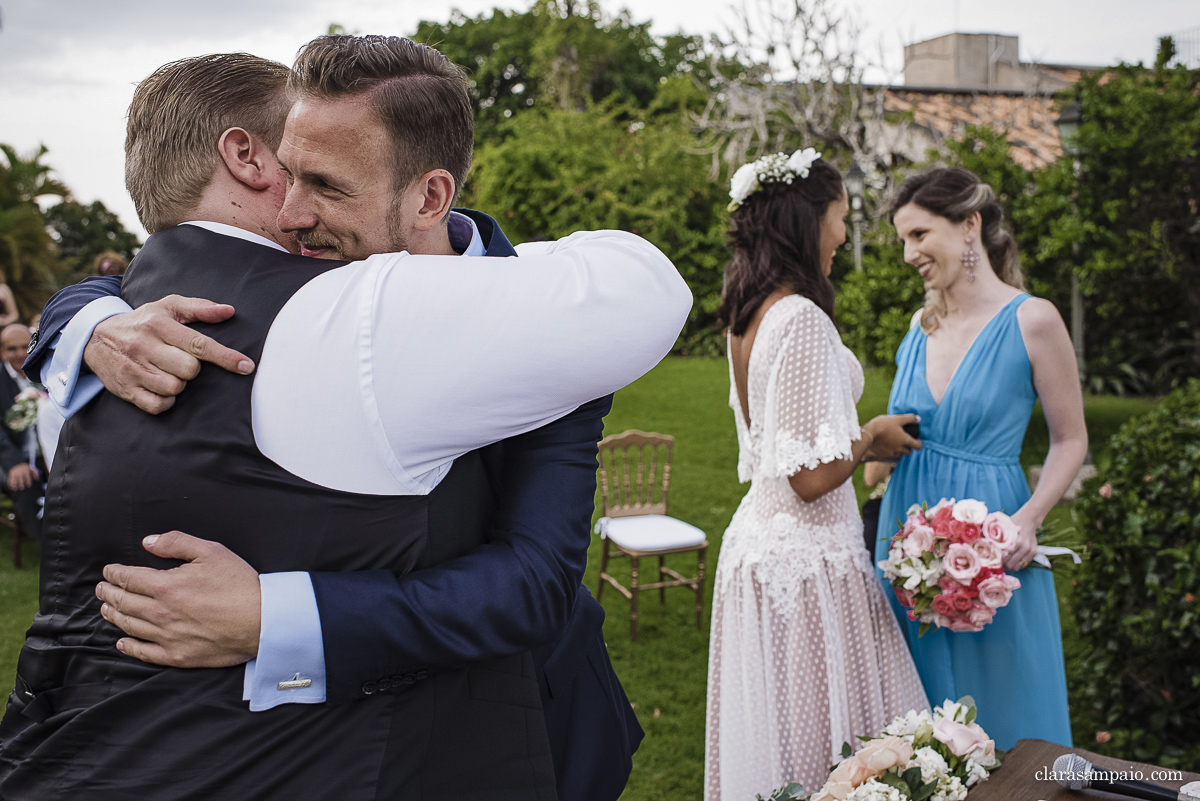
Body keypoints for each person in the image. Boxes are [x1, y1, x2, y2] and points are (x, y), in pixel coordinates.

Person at [1, 43, 689, 799]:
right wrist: (85, 320)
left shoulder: (543, 325)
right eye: (288, 173)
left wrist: (280, 614)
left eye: (323, 184)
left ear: (431, 200)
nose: (292, 213)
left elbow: (533, 581)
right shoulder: (257, 314)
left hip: (547, 713)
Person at [705, 149, 929, 800]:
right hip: (805, 562)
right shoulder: (799, 316)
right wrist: (872, 436)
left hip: (760, 542)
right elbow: (809, 474)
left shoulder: (749, 312)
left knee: (780, 739)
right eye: (840, 217)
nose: (842, 233)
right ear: (805, 222)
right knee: (819, 744)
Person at [876, 166, 1087, 749]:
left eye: (918, 235)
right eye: (902, 240)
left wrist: (1029, 520)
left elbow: (1072, 439)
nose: (908, 254)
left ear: (969, 225)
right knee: (914, 721)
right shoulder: (918, 328)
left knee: (1002, 705)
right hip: (905, 540)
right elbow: (895, 441)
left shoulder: (1033, 319)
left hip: (994, 544)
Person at [0, 324, 44, 541]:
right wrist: (15, 462)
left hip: (47, 453)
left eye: (25, 346)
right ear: (2, 352)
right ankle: (50, 550)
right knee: (24, 485)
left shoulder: (46, 373)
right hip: (9, 456)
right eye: (11, 349)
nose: (19, 354)